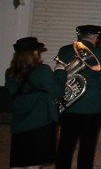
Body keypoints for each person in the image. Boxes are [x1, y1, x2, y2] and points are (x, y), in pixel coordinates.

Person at [5, 37, 64, 169]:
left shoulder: (9, 73)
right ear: (34, 52)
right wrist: (60, 71)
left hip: (19, 125)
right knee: (34, 165)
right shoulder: (43, 70)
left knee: (19, 163)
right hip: (40, 123)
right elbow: (57, 92)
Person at [55, 25, 101, 169]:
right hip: (92, 107)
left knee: (65, 144)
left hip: (68, 106)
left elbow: (58, 77)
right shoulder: (99, 53)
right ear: (96, 37)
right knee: (87, 147)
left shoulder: (64, 50)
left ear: (80, 35)